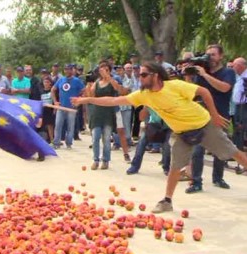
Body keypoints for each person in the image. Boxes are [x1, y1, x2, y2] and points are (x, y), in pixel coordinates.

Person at [71, 61, 247, 213]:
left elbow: (203, 92)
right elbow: (113, 101)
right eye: (140, 75)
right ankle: (167, 201)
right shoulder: (143, 95)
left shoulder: (175, 86)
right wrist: (86, 101)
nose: (140, 78)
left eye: (144, 75)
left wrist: (215, 115)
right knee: (175, 167)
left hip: (204, 125)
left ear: (155, 76)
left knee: (234, 153)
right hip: (181, 133)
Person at [186, 44, 237, 194]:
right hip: (201, 117)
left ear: (221, 56)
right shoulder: (201, 73)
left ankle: (218, 178)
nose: (209, 58)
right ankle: (196, 182)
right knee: (197, 150)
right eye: (207, 55)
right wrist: (189, 75)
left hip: (220, 116)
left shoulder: (228, 72)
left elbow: (224, 88)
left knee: (220, 150)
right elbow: (191, 93)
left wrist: (205, 75)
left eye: (213, 55)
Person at [88, 62, 125, 170]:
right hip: (97, 113)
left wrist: (108, 77)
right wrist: (88, 89)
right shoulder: (97, 82)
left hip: (108, 113)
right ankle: (95, 160)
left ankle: (106, 160)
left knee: (107, 139)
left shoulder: (113, 81)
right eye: (101, 69)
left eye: (106, 69)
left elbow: (119, 90)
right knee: (95, 138)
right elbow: (91, 97)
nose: (103, 71)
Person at [126, 106, 171, 175]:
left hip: (167, 126)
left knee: (167, 147)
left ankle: (166, 167)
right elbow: (141, 117)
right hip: (153, 124)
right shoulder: (149, 100)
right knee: (141, 144)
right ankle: (134, 166)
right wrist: (145, 107)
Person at [51, 64, 84, 149]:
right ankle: (56, 142)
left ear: (72, 70)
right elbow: (53, 90)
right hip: (61, 106)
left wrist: (79, 100)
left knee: (70, 126)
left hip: (71, 107)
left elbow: (84, 91)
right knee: (58, 125)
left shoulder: (77, 80)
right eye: (65, 69)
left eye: (69, 69)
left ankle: (69, 143)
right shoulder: (61, 79)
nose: (67, 71)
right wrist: (55, 102)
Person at [232, 57, 247, 152]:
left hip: (244, 105)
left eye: (234, 65)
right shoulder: (239, 76)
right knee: (237, 128)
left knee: (242, 127)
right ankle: (237, 150)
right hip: (238, 105)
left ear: (240, 66)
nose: (233, 67)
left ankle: (241, 151)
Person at [40, 76, 56, 144]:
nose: (46, 83)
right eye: (45, 82)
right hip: (43, 110)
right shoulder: (41, 91)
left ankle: (52, 140)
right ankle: (44, 139)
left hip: (50, 110)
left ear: (50, 83)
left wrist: (55, 109)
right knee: (43, 126)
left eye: (47, 82)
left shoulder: (52, 91)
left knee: (50, 126)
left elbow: (55, 101)